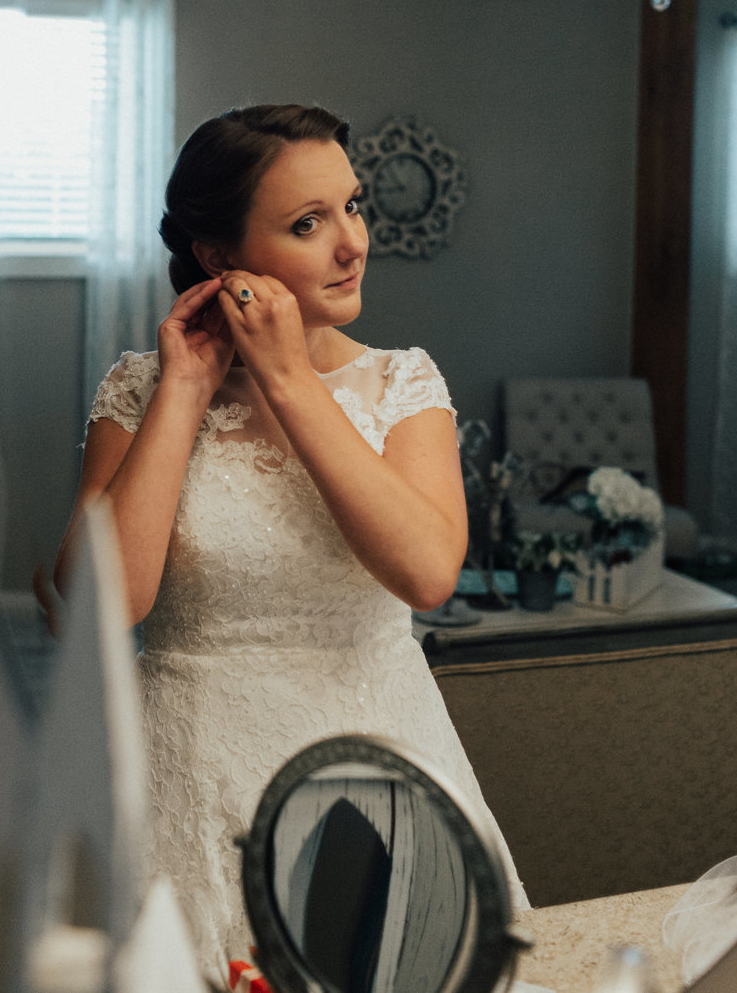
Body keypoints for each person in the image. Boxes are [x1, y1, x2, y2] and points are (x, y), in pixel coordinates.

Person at [54, 103, 528, 984]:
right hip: (191, 769)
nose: (352, 243)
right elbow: (101, 606)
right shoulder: (138, 388)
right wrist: (183, 395)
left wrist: (287, 376)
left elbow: (426, 572)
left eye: (352, 207)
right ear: (218, 257)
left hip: (382, 761)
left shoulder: (403, 383)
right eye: (309, 224)